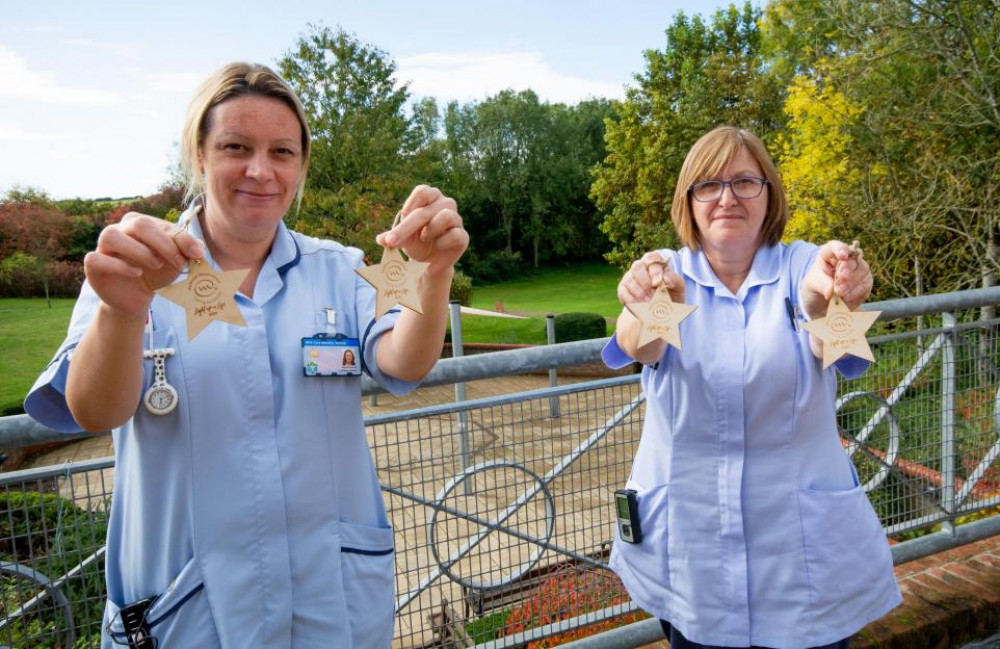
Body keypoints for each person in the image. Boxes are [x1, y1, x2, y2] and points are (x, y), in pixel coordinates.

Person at [24, 62, 468, 648]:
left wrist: (432, 273)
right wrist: (124, 311)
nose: (261, 170)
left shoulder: (343, 265)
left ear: (301, 166)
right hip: (188, 610)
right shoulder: (134, 268)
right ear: (199, 157)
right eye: (236, 146)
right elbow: (93, 411)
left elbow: (404, 361)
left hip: (330, 603)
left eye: (282, 151)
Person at [604, 126, 899, 649]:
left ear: (769, 195)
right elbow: (638, 346)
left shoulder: (802, 264)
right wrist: (650, 308)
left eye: (745, 181)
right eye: (709, 184)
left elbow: (831, 329)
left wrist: (834, 294)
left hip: (800, 561)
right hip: (693, 555)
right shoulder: (666, 271)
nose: (726, 197)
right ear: (689, 201)